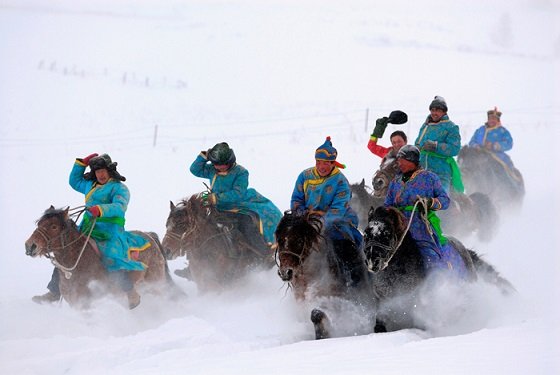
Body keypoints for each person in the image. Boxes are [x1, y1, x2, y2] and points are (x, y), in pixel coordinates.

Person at [33, 153, 149, 309]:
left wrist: (100, 209)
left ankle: (130, 291)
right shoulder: (90, 185)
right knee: (64, 253)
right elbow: (74, 182)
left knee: (110, 257)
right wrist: (80, 164)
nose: (100, 174)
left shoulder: (120, 188)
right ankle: (54, 291)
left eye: (103, 171)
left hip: (110, 231)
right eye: (97, 171)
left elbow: (119, 207)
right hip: (87, 228)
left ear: (109, 170)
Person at [188, 142, 282, 261]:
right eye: (216, 164)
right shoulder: (211, 170)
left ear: (230, 161)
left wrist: (216, 198)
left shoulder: (241, 172)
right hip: (216, 207)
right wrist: (203, 157)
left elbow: (238, 193)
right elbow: (194, 169)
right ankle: (194, 262)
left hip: (238, 206)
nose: (220, 167)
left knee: (248, 224)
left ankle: (263, 253)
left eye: (223, 164)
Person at [290, 136, 364, 287]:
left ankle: (350, 279)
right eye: (318, 162)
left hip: (337, 220)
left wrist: (319, 224)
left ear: (333, 163)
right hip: (306, 218)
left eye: (325, 163)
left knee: (344, 243)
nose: (321, 166)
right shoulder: (304, 176)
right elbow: (297, 199)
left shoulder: (341, 181)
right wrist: (301, 213)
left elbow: (337, 210)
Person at [384, 145, 466, 275]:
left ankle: (438, 277)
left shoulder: (430, 178)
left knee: (429, 254)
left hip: (419, 224)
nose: (398, 162)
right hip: (397, 224)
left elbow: (445, 200)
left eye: (401, 159)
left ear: (411, 160)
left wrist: (430, 202)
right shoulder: (395, 181)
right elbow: (387, 204)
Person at [414, 96, 463, 193]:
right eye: (432, 110)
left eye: (438, 110)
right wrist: (417, 148)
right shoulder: (425, 126)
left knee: (440, 200)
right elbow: (417, 142)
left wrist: (436, 146)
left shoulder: (451, 127)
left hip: (441, 173)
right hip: (421, 170)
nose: (434, 113)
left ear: (444, 112)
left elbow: (455, 148)